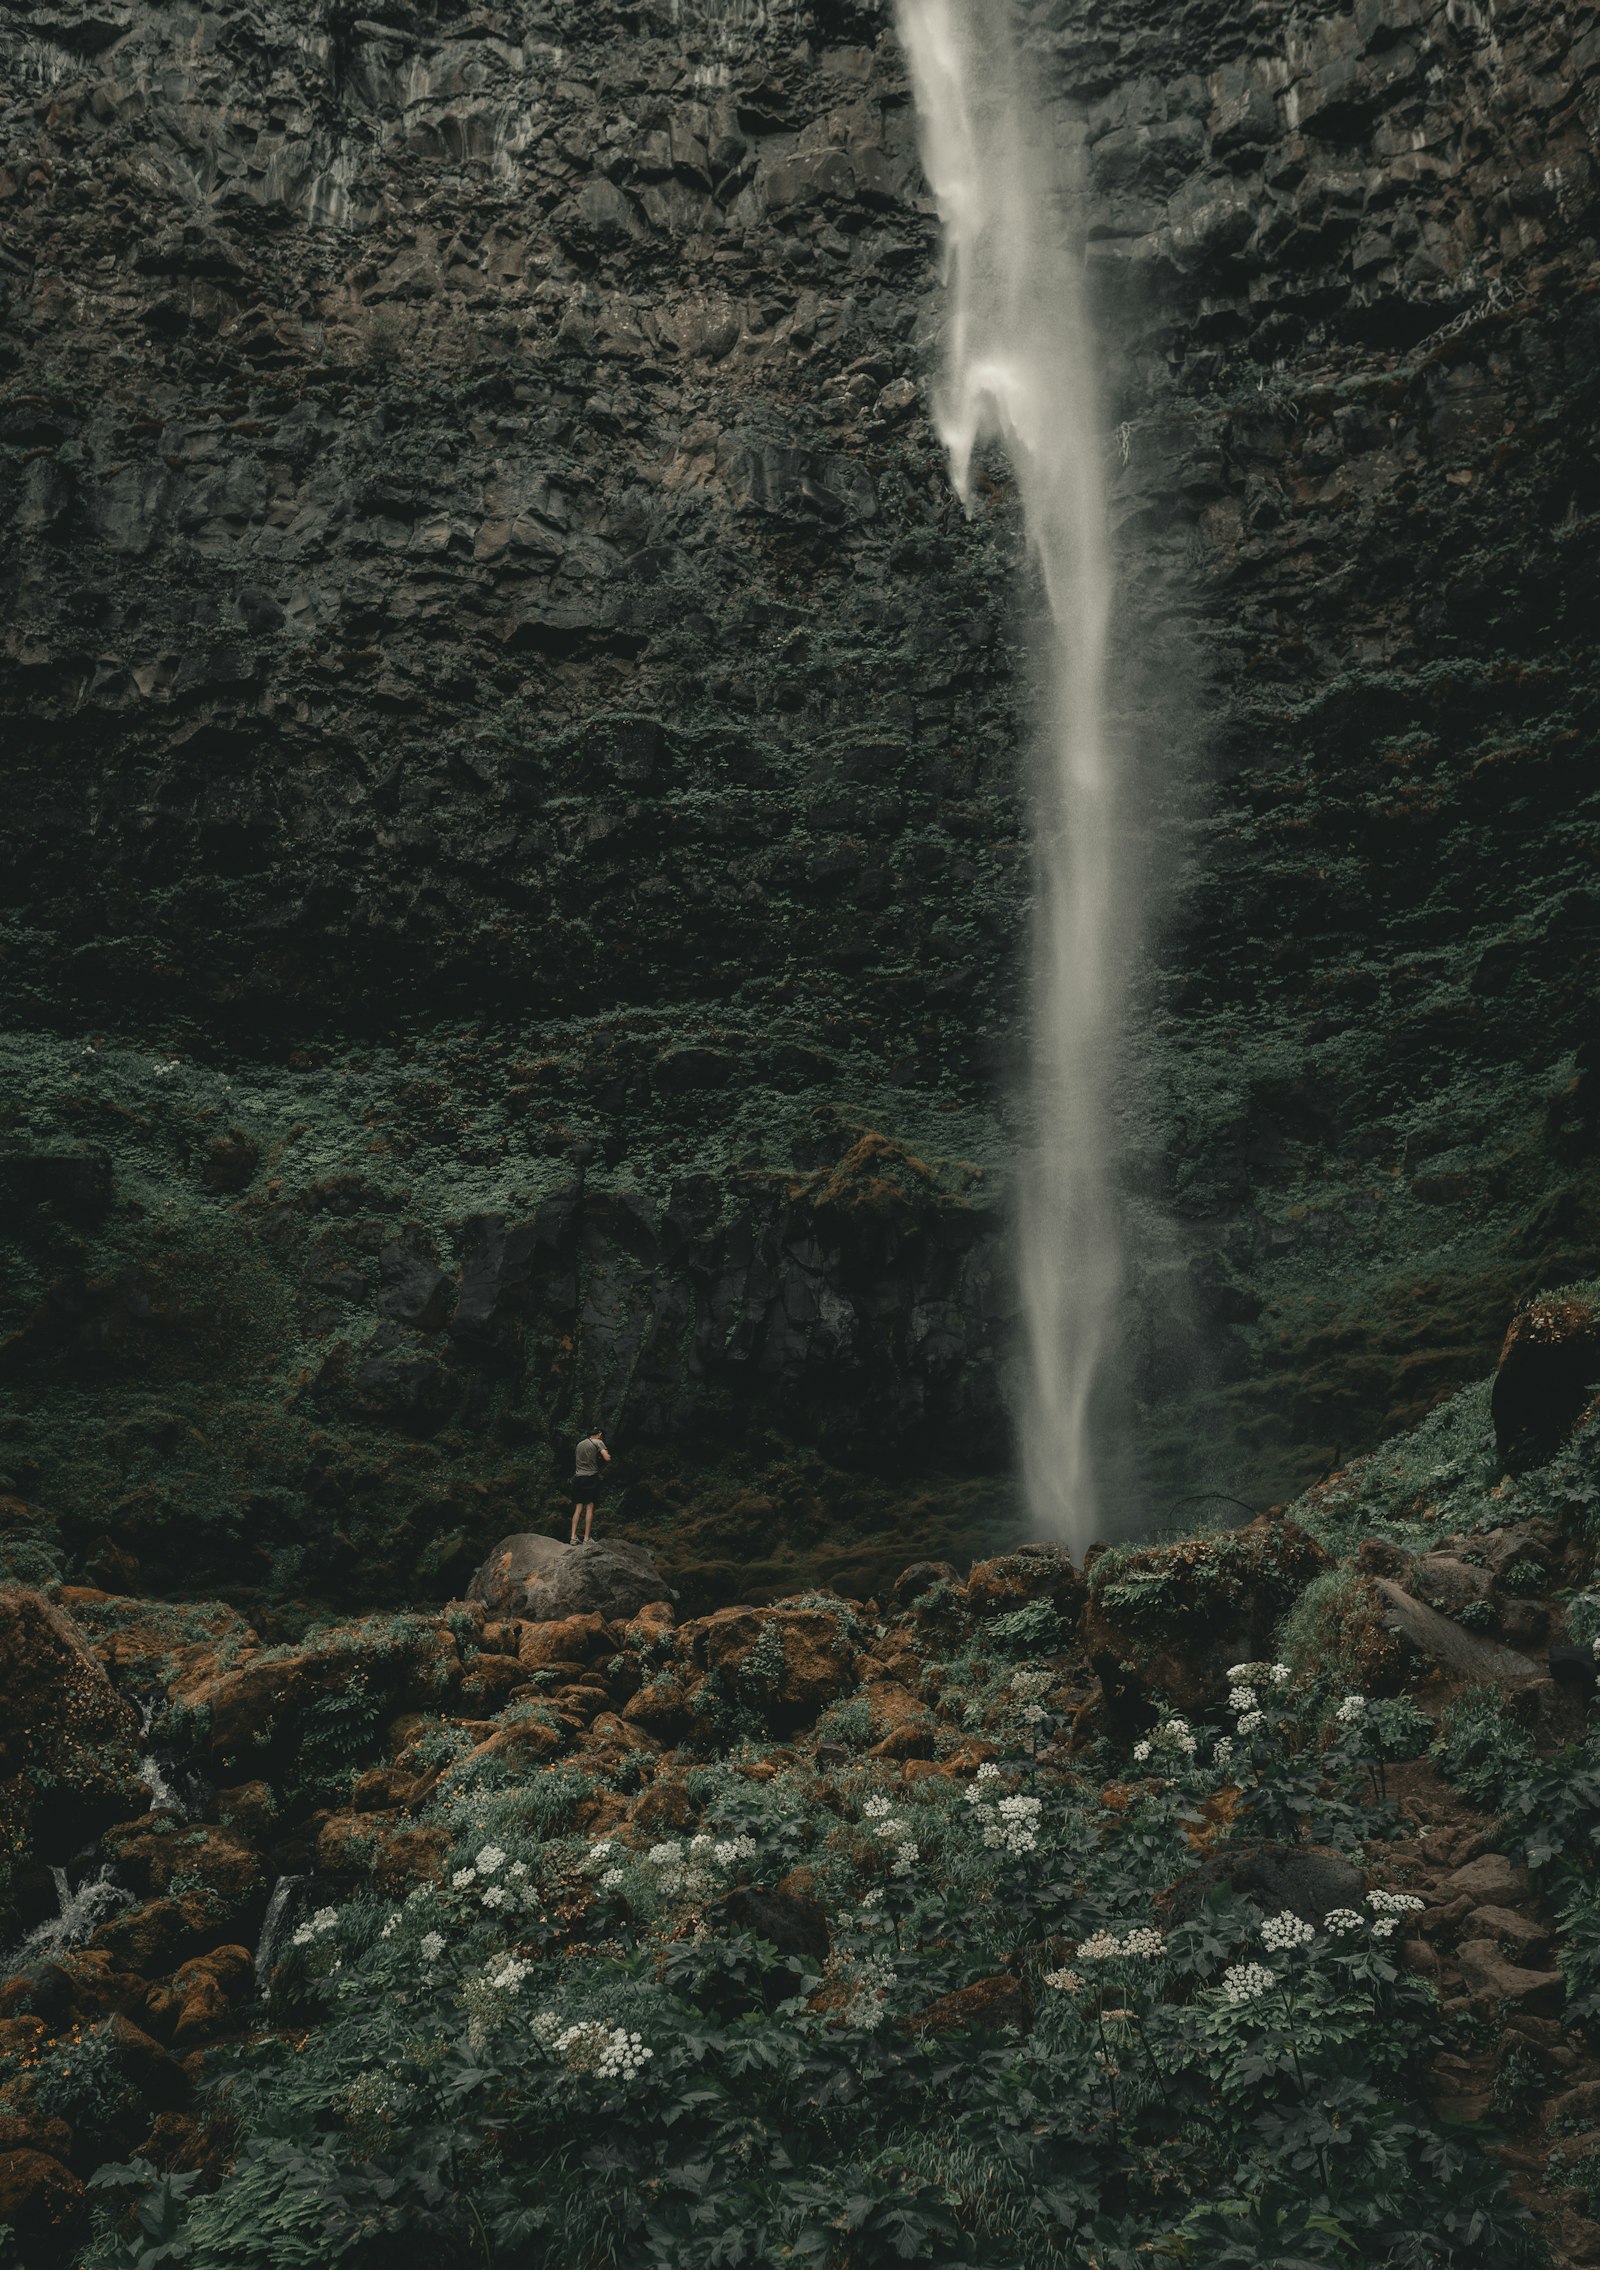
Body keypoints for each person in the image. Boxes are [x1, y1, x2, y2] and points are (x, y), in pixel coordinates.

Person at [570, 1426, 610, 1544]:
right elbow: (606, 1458)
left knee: (578, 1507)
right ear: (599, 1434)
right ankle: (587, 1538)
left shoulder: (580, 1444)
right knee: (589, 1507)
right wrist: (607, 1455)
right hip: (590, 1478)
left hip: (578, 1478)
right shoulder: (598, 1442)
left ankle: (573, 1537)